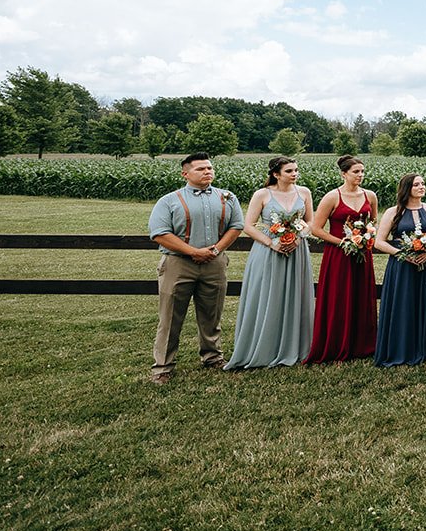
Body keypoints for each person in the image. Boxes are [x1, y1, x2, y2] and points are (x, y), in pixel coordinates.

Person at [147, 151, 245, 382]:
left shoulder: (227, 197)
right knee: (170, 316)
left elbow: (236, 226)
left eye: (209, 168)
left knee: (212, 313)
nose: (207, 172)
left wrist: (216, 250)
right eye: (201, 169)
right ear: (185, 173)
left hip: (214, 263)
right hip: (178, 264)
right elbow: (159, 233)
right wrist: (193, 251)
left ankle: (212, 356)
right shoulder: (169, 200)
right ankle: (163, 367)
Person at [225, 156, 314, 370]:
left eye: (296, 170)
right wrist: (271, 243)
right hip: (268, 251)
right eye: (289, 171)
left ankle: (298, 346)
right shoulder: (262, 194)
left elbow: (311, 221)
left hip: (297, 251)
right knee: (267, 294)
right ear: (276, 174)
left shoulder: (304, 192)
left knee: (296, 295)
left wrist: (299, 237)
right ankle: (264, 347)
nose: (295, 174)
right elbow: (249, 225)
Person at [306, 155, 379, 363]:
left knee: (362, 295)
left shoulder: (370, 196)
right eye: (356, 172)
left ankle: (363, 344)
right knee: (339, 297)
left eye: (362, 172)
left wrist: (366, 238)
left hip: (362, 255)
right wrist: (343, 243)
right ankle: (337, 342)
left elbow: (373, 222)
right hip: (339, 255)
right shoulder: (332, 197)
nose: (360, 175)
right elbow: (316, 229)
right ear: (344, 173)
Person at [373, 172, 426, 367]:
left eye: (423, 183)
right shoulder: (392, 212)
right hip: (401, 266)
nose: (421, 187)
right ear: (407, 188)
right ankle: (401, 346)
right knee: (403, 302)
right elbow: (379, 242)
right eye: (416, 185)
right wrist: (402, 255)